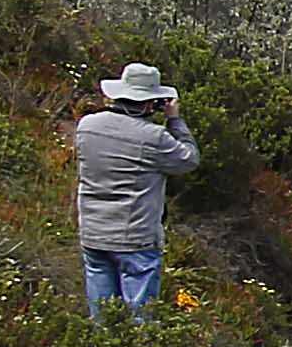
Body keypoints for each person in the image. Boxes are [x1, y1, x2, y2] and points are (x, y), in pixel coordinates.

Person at [73, 64, 199, 320]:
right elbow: (188, 159)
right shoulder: (153, 137)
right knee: (140, 319)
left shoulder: (87, 126)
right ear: (150, 103)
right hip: (135, 236)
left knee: (102, 317)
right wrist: (174, 119)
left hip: (93, 232)